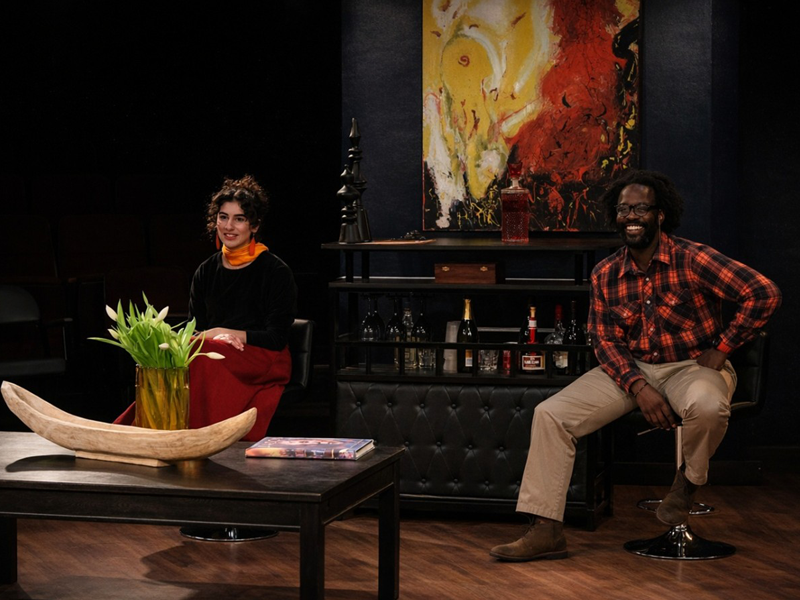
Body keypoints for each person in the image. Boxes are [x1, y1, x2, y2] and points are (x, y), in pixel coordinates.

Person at [490, 169, 781, 562]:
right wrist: (638, 386)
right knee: (551, 414)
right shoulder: (605, 273)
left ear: (660, 215)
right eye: (624, 209)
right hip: (632, 370)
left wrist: (723, 348)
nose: (631, 216)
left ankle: (687, 485)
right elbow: (605, 341)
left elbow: (763, 293)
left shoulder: (693, 258)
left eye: (641, 208)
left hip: (691, 366)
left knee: (707, 405)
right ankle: (545, 530)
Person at [115, 174, 297, 441]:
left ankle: (187, 439)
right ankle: (144, 430)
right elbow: (196, 328)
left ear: (254, 225)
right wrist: (214, 338)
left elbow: (276, 338)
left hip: (263, 357)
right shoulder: (206, 270)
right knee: (177, 355)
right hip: (215, 350)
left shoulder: (275, 271)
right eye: (223, 217)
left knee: (203, 355)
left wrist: (222, 334)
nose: (229, 226)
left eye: (239, 218)